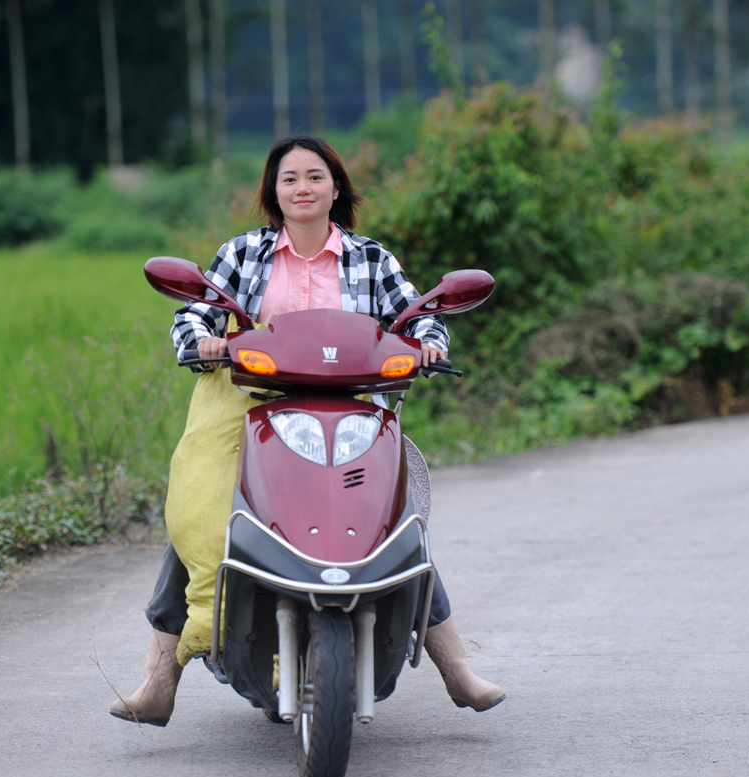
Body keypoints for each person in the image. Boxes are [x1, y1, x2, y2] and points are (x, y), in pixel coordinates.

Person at [110, 135, 504, 727]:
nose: (302, 188)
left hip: (354, 410)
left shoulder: (371, 258)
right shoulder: (243, 254)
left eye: (314, 176)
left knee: (391, 523)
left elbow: (419, 315)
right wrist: (204, 341)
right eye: (289, 178)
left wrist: (427, 346)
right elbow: (194, 311)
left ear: (336, 187)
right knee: (200, 513)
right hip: (251, 408)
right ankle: (159, 681)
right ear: (273, 191)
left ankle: (457, 672)